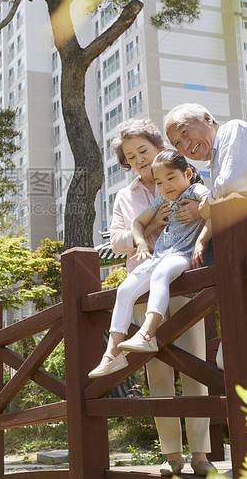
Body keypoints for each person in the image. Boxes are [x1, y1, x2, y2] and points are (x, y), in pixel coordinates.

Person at [94, 119, 215, 477]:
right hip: (145, 283)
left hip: (185, 283)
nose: (138, 160)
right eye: (130, 157)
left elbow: (212, 210)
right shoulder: (125, 196)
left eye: (143, 151)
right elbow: (115, 240)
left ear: (156, 145)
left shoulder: (184, 176)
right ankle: (172, 455)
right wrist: (148, 228)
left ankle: (201, 454)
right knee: (157, 374)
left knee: (195, 367)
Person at [164, 103, 247, 366]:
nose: (184, 145)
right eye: (176, 143)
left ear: (206, 117)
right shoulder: (218, 157)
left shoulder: (233, 131)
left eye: (184, 132)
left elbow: (234, 183)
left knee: (239, 357)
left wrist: (206, 204)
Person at [89, 151, 210, 369]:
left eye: (171, 178)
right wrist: (142, 244)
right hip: (159, 256)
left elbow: (214, 207)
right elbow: (137, 223)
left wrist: (201, 240)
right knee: (125, 289)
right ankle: (112, 354)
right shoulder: (162, 200)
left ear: (188, 173)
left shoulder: (196, 190)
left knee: (161, 275)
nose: (166, 186)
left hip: (181, 255)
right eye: (159, 182)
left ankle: (147, 333)